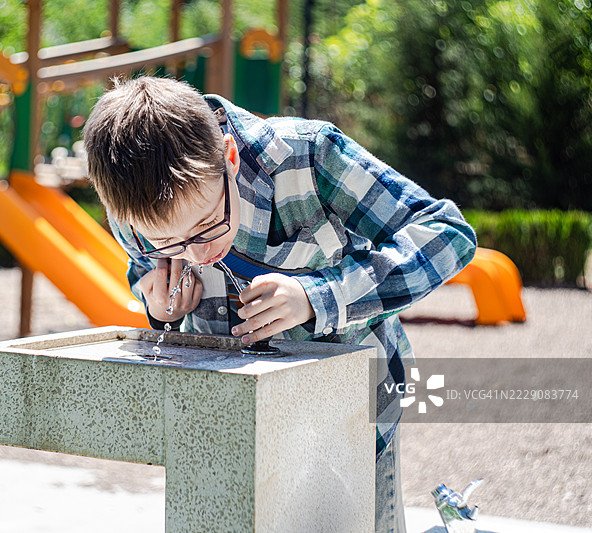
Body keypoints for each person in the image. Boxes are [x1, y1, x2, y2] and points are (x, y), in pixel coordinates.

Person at [83, 75, 477, 532]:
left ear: (229, 158)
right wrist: (161, 309)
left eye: (208, 224)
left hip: (350, 413)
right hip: (224, 419)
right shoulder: (131, 206)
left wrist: (317, 296)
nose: (197, 254)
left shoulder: (309, 156)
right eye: (169, 242)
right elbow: (143, 274)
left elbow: (447, 234)